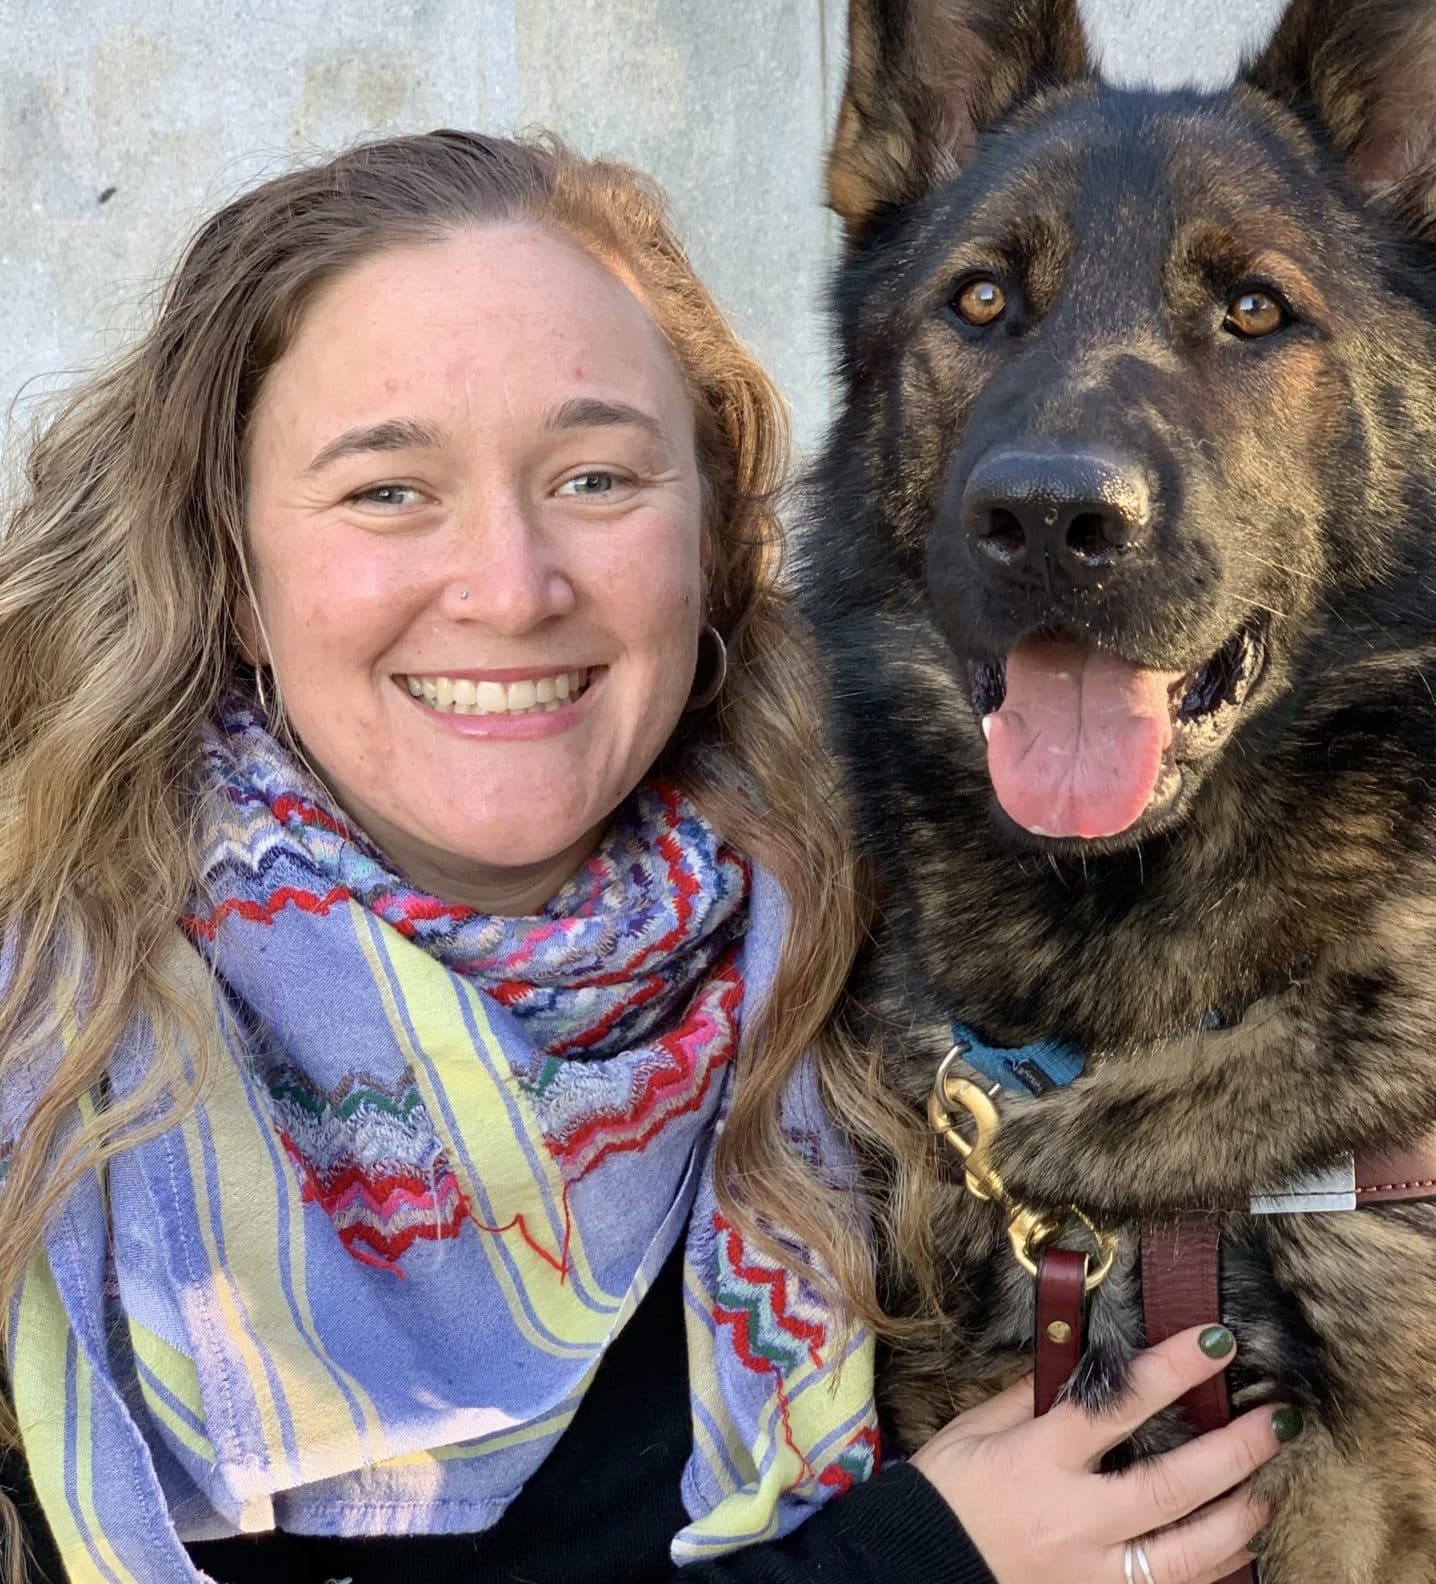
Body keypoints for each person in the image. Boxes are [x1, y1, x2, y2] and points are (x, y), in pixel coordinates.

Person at [0, 130, 1295, 1584]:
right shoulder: (55, 1065)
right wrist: (910, 1566)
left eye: (598, 478)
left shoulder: (905, 993)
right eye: (387, 491)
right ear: (233, 573)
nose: (510, 586)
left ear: (717, 538)